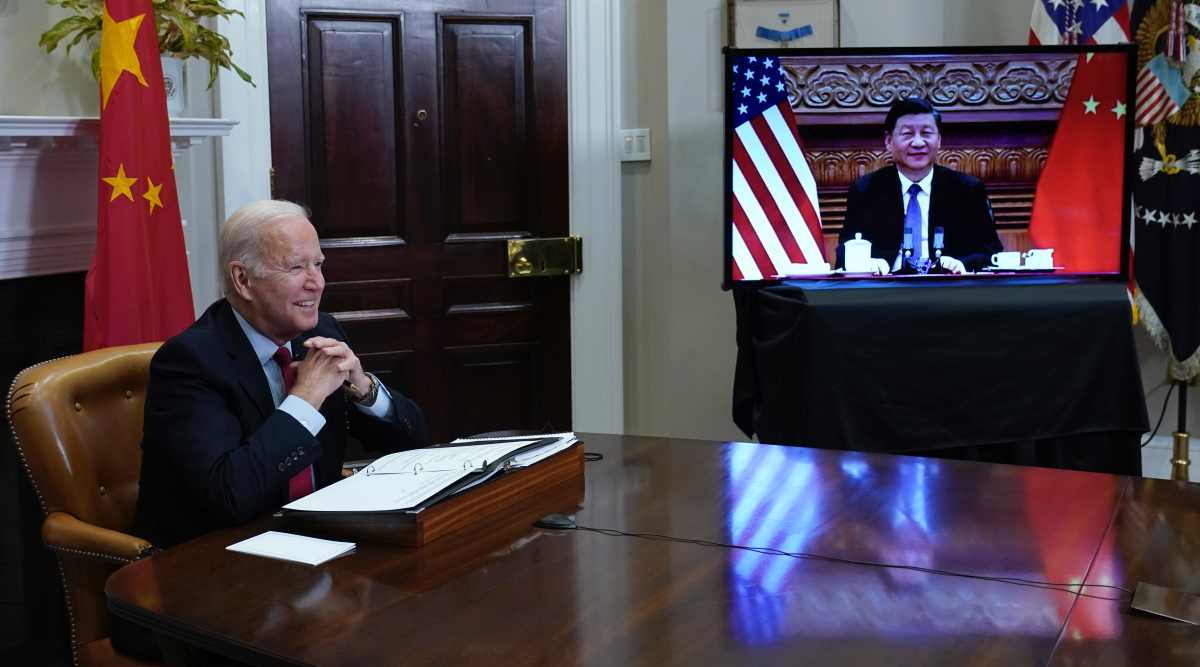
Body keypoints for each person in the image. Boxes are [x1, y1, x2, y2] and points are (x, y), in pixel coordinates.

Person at [132, 200, 428, 550]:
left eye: (318, 265)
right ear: (243, 280)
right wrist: (305, 400)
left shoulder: (319, 334)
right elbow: (228, 496)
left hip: (321, 541)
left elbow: (413, 443)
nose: (316, 283)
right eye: (296, 268)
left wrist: (364, 391)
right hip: (219, 559)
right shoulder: (190, 361)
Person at [836, 97, 1003, 274]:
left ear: (939, 140)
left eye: (926, 133)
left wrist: (963, 265)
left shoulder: (967, 189)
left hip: (949, 289)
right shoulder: (866, 189)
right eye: (907, 134)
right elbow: (844, 254)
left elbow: (992, 253)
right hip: (885, 290)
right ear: (888, 141)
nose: (918, 142)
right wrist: (869, 264)